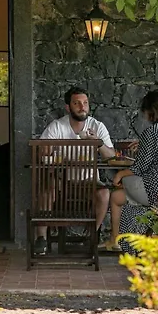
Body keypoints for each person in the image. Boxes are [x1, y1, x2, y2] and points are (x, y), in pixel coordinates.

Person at [35, 86, 116, 254]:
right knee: (47, 188)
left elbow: (111, 156)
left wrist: (98, 143)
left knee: (104, 193)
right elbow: (41, 151)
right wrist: (47, 149)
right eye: (77, 103)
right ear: (68, 107)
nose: (82, 107)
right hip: (60, 181)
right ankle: (41, 238)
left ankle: (90, 237)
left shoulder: (97, 126)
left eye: (85, 103)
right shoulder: (57, 126)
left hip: (88, 181)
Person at [107, 89, 158, 253]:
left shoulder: (152, 132)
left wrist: (119, 175)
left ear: (151, 111)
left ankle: (118, 241)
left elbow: (140, 167)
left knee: (118, 190)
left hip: (154, 191)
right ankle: (121, 241)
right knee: (119, 194)